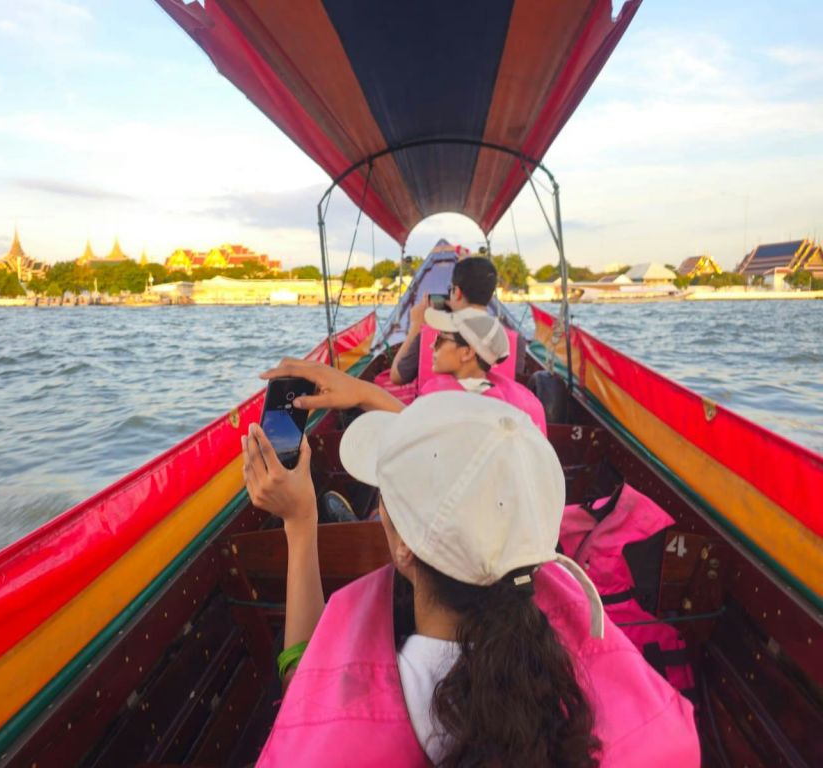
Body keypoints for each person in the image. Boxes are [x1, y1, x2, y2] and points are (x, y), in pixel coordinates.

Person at [241, 372, 699, 768]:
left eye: (384, 503)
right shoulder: (610, 687)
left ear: (402, 547)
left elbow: (305, 696)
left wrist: (300, 524)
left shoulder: (337, 730)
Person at [422, 306, 548, 434]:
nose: (432, 345)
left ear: (467, 352)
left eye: (440, 340)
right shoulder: (518, 405)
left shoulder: (445, 405)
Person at [389, 256, 511, 388]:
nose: (433, 345)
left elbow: (396, 376)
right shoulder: (506, 341)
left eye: (440, 340)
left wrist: (416, 325)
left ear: (457, 292)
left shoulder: (427, 335)